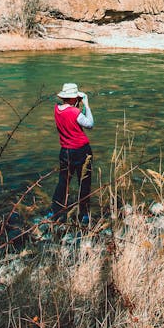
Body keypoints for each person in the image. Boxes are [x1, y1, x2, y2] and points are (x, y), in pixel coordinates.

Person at [48, 82, 94, 225]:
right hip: (81, 150)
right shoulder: (75, 112)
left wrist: (76, 105)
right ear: (74, 98)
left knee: (63, 182)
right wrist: (86, 104)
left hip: (65, 151)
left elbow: (73, 119)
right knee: (84, 182)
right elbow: (90, 124)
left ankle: (54, 211)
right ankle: (83, 214)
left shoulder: (57, 109)